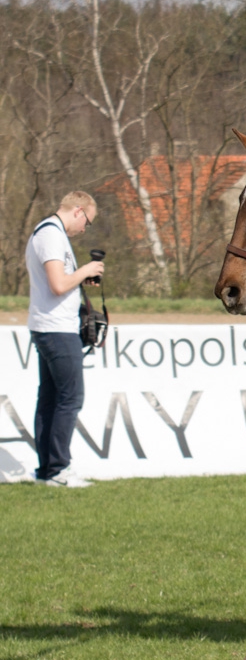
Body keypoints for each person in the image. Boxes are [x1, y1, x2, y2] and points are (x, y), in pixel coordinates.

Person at [25, 191, 105, 487]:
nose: (85, 229)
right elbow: (58, 284)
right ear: (79, 211)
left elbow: (57, 284)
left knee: (49, 399)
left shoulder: (49, 232)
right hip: (56, 329)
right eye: (88, 222)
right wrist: (84, 270)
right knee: (70, 399)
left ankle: (46, 471)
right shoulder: (52, 235)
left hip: (49, 326)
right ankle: (58, 469)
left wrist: (81, 278)